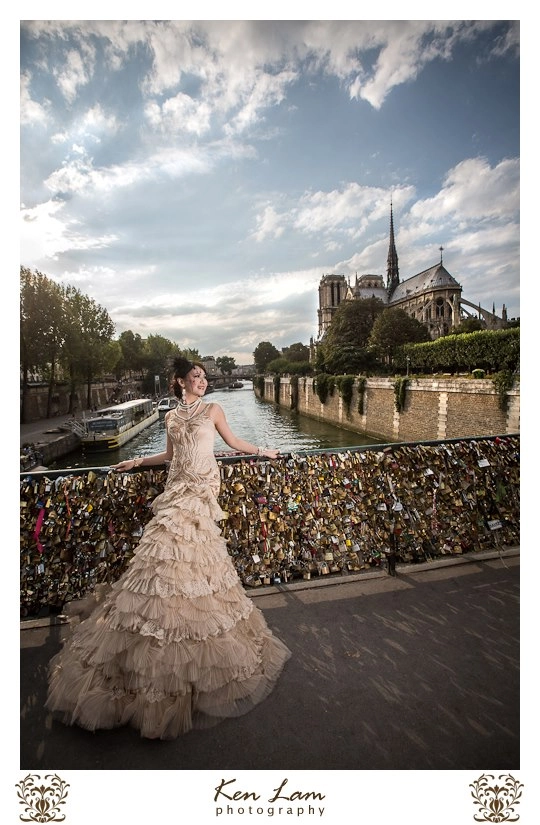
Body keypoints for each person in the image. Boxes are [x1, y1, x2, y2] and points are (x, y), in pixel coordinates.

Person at [45, 357, 291, 739]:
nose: (203, 381)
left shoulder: (214, 409)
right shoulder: (172, 417)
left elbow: (234, 442)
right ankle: (158, 654)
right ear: (180, 382)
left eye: (205, 377)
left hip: (202, 494)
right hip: (177, 493)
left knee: (195, 565)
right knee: (163, 565)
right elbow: (171, 458)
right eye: (196, 377)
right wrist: (138, 460)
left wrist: (264, 450)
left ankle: (186, 650)